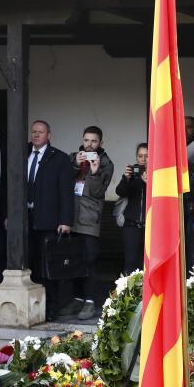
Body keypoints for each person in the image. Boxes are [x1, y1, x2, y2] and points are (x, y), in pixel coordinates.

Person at [25, 120, 73, 319]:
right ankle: (32, 306)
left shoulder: (59, 158)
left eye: (40, 132)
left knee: (48, 267)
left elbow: (66, 192)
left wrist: (66, 220)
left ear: (49, 135)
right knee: (29, 264)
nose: (36, 135)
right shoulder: (22, 154)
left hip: (50, 220)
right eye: (34, 131)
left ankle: (51, 308)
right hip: (26, 219)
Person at [65, 126, 114, 320]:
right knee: (74, 260)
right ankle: (76, 299)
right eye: (87, 140)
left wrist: (93, 173)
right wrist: (75, 165)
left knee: (90, 259)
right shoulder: (73, 157)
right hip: (70, 217)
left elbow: (97, 192)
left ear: (100, 143)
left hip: (89, 219)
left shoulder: (106, 163)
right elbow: (62, 181)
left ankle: (90, 301)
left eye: (94, 141)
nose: (89, 144)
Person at [115, 143, 147, 274]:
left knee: (145, 263)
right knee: (130, 263)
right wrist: (126, 178)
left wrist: (150, 182)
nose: (143, 159)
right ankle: (129, 293)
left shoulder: (159, 174)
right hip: (131, 225)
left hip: (151, 226)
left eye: (147, 156)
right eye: (140, 156)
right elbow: (120, 192)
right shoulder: (132, 175)